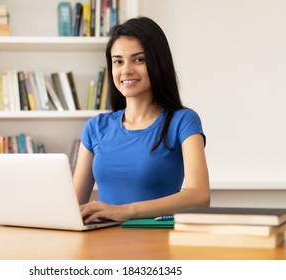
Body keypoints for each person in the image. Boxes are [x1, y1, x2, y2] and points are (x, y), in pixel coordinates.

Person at [73, 17, 210, 224]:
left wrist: (127, 211)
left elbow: (200, 196)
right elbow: (73, 205)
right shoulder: (96, 127)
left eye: (139, 59)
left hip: (157, 245)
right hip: (101, 247)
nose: (126, 70)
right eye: (118, 61)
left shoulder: (183, 121)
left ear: (157, 63)